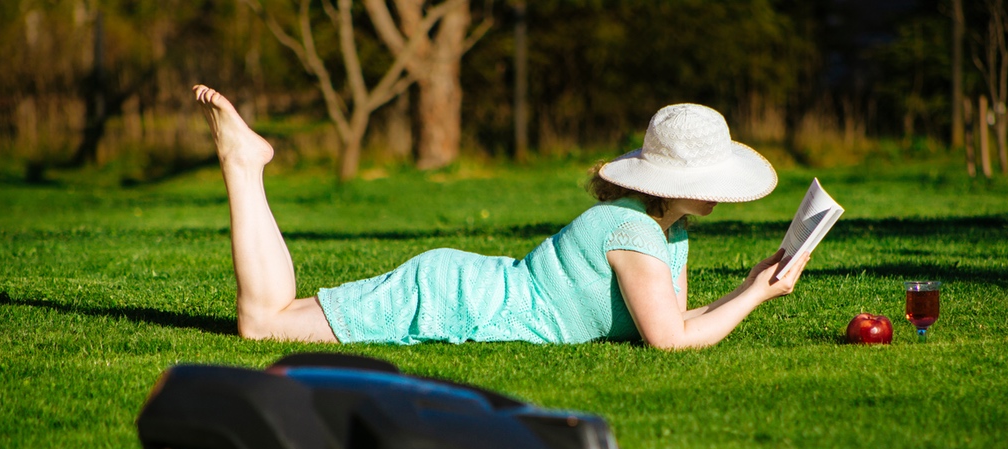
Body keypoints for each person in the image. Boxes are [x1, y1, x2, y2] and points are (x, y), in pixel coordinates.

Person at [193, 84, 809, 349]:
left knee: (272, 318)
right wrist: (755, 296)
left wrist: (751, 286)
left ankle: (246, 165)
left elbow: (668, 321)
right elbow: (671, 342)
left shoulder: (663, 234)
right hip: (457, 298)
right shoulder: (636, 230)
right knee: (263, 325)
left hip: (469, 290)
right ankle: (244, 165)